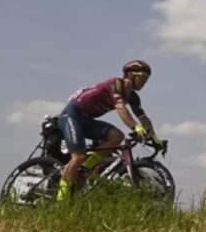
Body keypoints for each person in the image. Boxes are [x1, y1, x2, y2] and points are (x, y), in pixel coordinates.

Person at [56, 60, 164, 200]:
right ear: (130, 75)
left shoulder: (133, 97)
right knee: (79, 156)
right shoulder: (115, 84)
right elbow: (121, 108)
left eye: (147, 79)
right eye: (143, 77)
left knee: (117, 137)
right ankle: (61, 199)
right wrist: (135, 127)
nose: (145, 82)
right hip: (71, 116)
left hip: (86, 120)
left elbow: (143, 117)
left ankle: (85, 168)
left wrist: (154, 137)